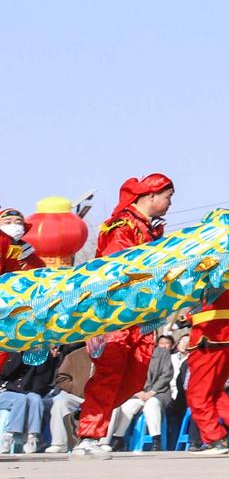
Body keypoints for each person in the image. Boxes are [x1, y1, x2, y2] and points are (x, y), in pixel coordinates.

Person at [74, 173, 174, 457]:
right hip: (116, 313)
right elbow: (117, 268)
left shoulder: (152, 230)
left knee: (135, 378)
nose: (170, 203)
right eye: (167, 197)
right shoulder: (122, 226)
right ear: (151, 196)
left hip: (143, 315)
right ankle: (89, 435)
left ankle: (86, 416)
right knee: (109, 373)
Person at [184, 290, 229, 455]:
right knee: (213, 391)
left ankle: (214, 440)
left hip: (209, 336)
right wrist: (187, 318)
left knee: (197, 394)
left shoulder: (205, 275)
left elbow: (199, 299)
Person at [109, 335, 176, 449]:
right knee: (126, 407)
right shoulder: (132, 353)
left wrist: (152, 391)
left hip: (158, 393)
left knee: (152, 405)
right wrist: (136, 392)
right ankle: (118, 438)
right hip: (137, 393)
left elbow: (167, 374)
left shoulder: (162, 353)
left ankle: (156, 440)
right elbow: (127, 376)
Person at [0, 343, 59, 453]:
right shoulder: (14, 352)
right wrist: (20, 352)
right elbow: (6, 373)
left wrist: (46, 357)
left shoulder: (42, 355)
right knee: (20, 399)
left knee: (36, 399)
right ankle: (9, 435)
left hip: (26, 392)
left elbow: (44, 381)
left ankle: (32, 436)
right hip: (7, 391)